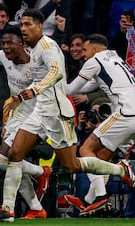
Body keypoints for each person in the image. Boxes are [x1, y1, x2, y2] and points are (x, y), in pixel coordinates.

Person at [0, 9, 135, 223]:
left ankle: (119, 170)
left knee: (72, 165)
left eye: (27, 24)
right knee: (14, 153)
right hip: (39, 112)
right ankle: (8, 210)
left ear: (39, 26)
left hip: (57, 114)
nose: (23, 29)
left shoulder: (48, 47)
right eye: (22, 25)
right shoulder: (34, 48)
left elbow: (57, 73)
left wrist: (34, 89)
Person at [0, 25, 51, 219]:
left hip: (37, 115)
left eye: (10, 43)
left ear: (22, 44)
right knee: (1, 161)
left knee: (8, 159)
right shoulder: (3, 57)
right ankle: (36, 205)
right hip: (18, 116)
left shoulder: (37, 64)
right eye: (3, 43)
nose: (5, 47)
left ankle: (9, 209)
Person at [66, 34, 135, 214]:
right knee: (101, 158)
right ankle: (87, 201)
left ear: (95, 49)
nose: (83, 55)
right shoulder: (115, 58)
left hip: (126, 111)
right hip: (132, 112)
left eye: (85, 50)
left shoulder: (95, 60)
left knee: (85, 151)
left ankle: (102, 197)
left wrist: (50, 85)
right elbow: (87, 86)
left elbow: (71, 90)